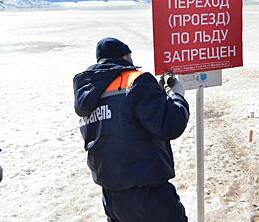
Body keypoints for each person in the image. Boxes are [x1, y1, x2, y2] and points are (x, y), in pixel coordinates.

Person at [73, 37, 189, 222]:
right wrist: (177, 96)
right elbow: (170, 125)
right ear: (125, 57)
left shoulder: (88, 91)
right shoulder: (136, 80)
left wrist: (155, 96)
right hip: (149, 193)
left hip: (112, 197)